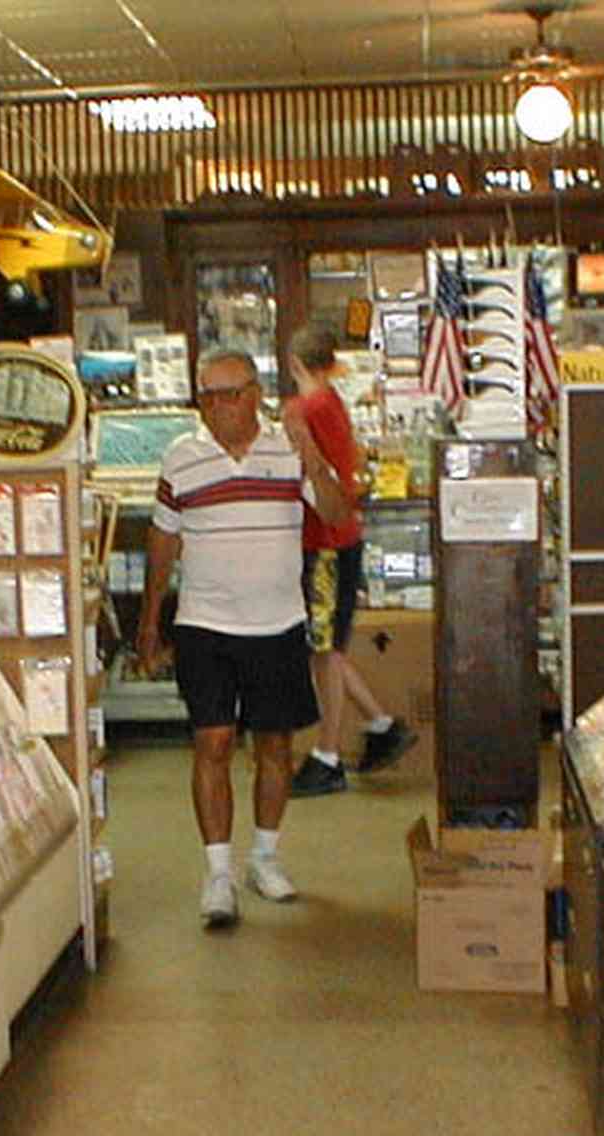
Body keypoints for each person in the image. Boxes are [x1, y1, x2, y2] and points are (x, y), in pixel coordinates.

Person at [136, 346, 351, 928]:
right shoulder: (182, 459)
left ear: (255, 394)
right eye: (208, 395)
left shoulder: (288, 451)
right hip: (204, 624)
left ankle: (264, 857)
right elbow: (163, 541)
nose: (219, 406)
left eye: (231, 393)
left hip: (277, 624)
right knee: (212, 743)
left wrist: (309, 454)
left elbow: (336, 511)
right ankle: (218, 873)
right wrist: (150, 620)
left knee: (275, 747)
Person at [284, 323, 417, 798]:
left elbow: (299, 468)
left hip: (321, 540)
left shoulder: (303, 409)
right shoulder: (334, 403)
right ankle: (381, 725)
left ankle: (328, 754)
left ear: (296, 364)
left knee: (323, 650)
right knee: (330, 645)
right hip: (343, 536)